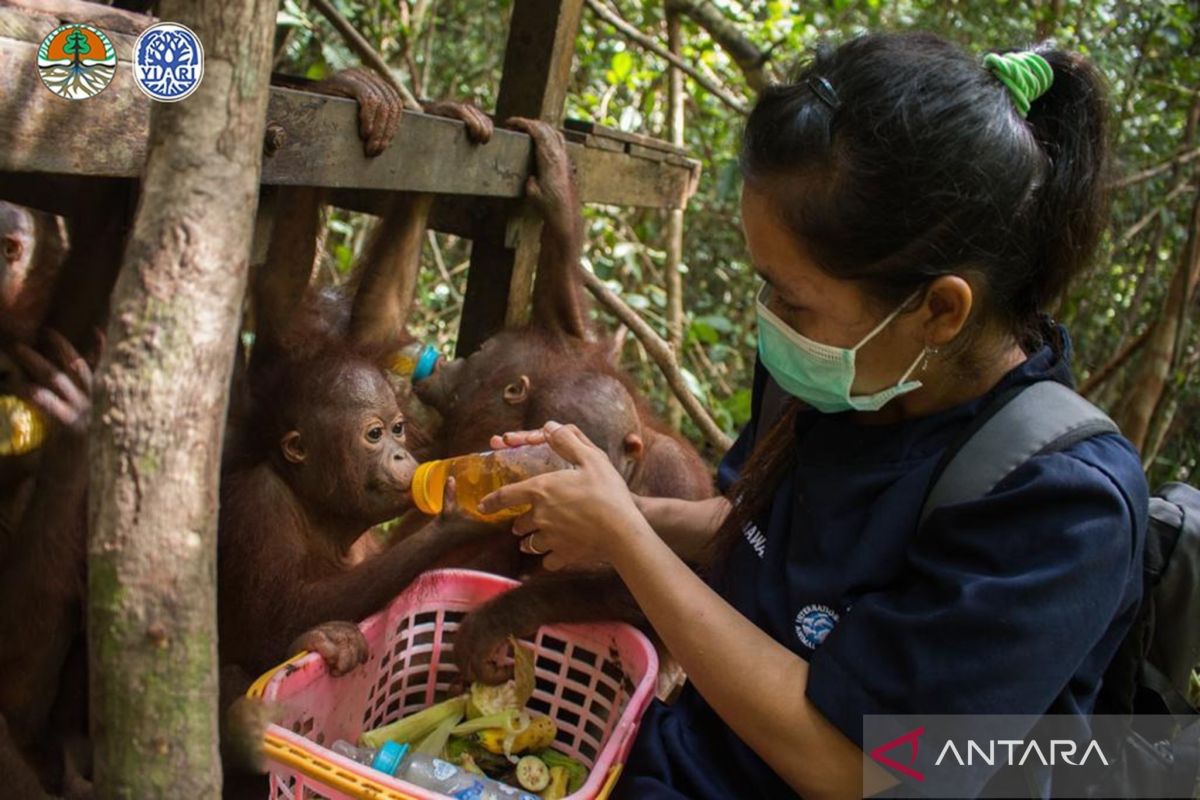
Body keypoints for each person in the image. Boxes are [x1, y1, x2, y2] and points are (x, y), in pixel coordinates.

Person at [476, 31, 1149, 799]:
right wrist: (610, 504)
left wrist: (626, 540)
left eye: (792, 299)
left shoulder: (1060, 507)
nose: (772, 322)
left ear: (938, 309)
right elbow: (764, 541)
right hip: (681, 761)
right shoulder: (840, 373)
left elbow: (854, 765)